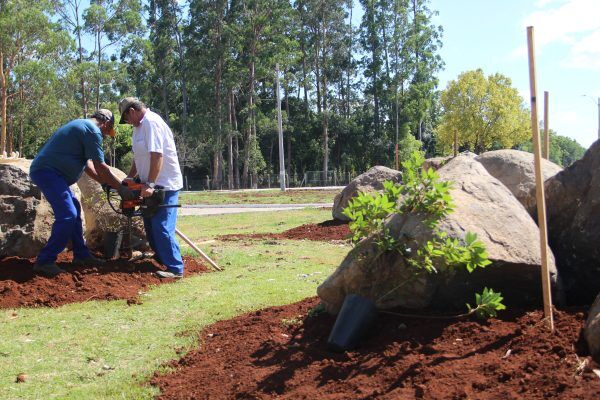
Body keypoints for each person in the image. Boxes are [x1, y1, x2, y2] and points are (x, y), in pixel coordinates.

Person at [29, 109, 135, 277]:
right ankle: (45, 261)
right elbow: (100, 166)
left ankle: (81, 255)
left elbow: (87, 166)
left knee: (75, 209)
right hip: (48, 172)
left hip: (53, 174)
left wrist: (104, 184)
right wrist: (121, 189)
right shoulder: (92, 130)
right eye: (107, 132)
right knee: (68, 215)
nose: (106, 135)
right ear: (106, 123)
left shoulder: (80, 126)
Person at [118, 97, 184, 279]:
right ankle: (162, 258)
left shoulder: (151, 123)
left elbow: (157, 155)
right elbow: (138, 157)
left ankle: (175, 268)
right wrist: (130, 177)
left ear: (132, 111)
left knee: (161, 226)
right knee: (149, 225)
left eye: (126, 118)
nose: (127, 123)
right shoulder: (138, 128)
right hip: (148, 185)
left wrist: (151, 184)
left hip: (164, 185)